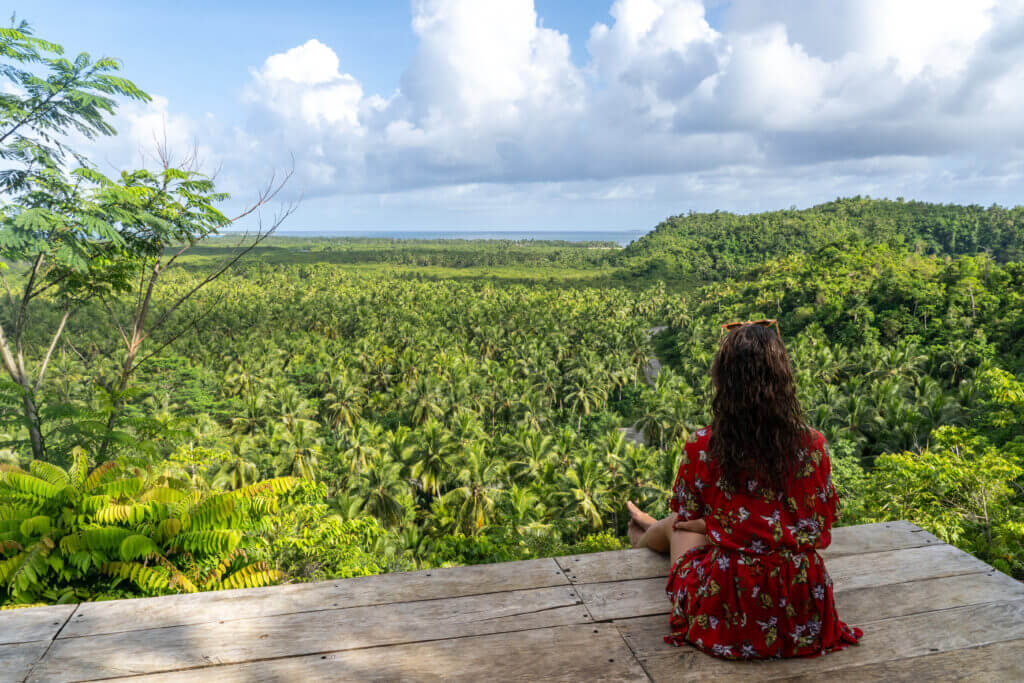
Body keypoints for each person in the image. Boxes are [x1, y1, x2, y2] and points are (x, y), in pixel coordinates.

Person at [625, 320, 863, 660]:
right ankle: (649, 529)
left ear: (724, 381)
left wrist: (716, 526)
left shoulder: (704, 446)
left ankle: (644, 536)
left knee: (679, 525)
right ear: (783, 378)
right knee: (702, 529)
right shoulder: (813, 445)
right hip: (804, 607)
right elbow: (819, 526)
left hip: (734, 607)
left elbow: (689, 516)